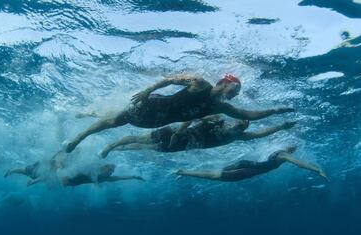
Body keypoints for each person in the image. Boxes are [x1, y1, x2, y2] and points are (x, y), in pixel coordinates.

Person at [63, 74, 294, 154]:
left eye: (237, 93)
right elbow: (170, 79)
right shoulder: (201, 84)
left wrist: (277, 110)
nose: (235, 95)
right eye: (235, 89)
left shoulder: (221, 108)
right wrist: (147, 90)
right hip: (151, 106)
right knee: (114, 120)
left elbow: (250, 115)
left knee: (116, 118)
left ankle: (90, 113)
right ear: (225, 82)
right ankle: (78, 137)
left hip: (156, 121)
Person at [100, 115, 297, 158]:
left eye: (243, 126)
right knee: (141, 139)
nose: (240, 126)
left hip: (184, 145)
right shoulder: (217, 120)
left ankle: (119, 147)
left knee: (148, 147)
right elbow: (194, 116)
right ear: (234, 120)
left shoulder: (237, 137)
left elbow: (262, 133)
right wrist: (178, 132)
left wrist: (282, 126)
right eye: (240, 122)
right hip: (176, 133)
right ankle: (111, 145)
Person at [175, 145, 328, 182]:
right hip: (248, 170)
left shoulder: (277, 151)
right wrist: (317, 171)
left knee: (217, 171)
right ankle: (183, 171)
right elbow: (299, 163)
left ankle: (185, 171)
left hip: (247, 164)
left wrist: (317, 168)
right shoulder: (283, 154)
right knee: (217, 176)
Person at [61, 164, 144, 187]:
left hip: (72, 183)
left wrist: (134, 177)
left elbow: (120, 178)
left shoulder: (105, 178)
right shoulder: (94, 169)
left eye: (112, 171)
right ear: (104, 168)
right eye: (110, 170)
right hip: (68, 178)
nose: (111, 173)